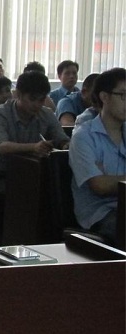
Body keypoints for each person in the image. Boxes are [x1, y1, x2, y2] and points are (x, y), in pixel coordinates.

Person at [0, 71, 70, 197]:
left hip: (36, 172)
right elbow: (1, 146)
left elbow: (61, 138)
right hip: (3, 175)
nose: (37, 105)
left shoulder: (46, 113)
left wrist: (65, 145)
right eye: (32, 99)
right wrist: (34, 147)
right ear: (18, 94)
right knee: (29, 192)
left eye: (41, 100)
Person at [69, 67, 126, 246]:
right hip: (100, 213)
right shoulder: (84, 136)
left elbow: (107, 182)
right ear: (104, 97)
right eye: (123, 95)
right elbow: (99, 186)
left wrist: (112, 179)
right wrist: (107, 181)